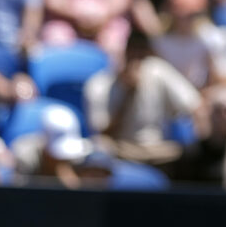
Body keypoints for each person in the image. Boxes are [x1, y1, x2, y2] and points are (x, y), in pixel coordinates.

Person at [84, 30, 202, 168]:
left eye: (140, 50)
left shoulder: (158, 71)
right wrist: (128, 93)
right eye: (130, 49)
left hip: (157, 150)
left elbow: (194, 104)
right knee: (101, 150)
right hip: (120, 152)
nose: (135, 57)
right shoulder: (99, 85)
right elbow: (104, 135)